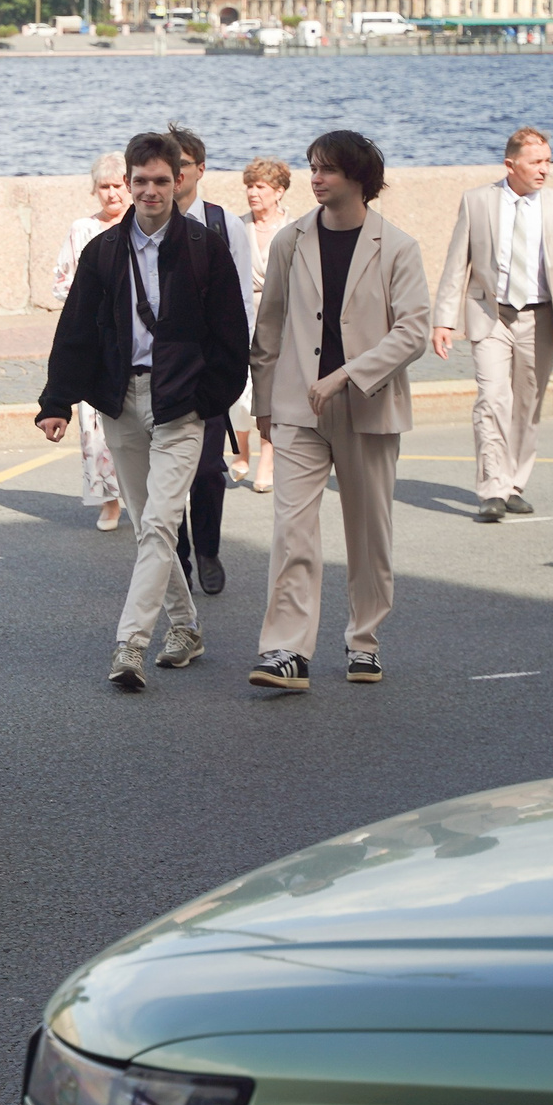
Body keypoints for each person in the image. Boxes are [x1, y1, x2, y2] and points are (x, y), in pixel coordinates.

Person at [35, 132, 248, 691]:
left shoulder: (205, 248)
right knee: (145, 525)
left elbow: (231, 336)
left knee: (158, 521)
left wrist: (209, 401)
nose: (150, 190)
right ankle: (186, 627)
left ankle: (130, 642)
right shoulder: (103, 252)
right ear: (128, 183)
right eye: (140, 181)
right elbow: (76, 329)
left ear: (179, 180)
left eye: (161, 180)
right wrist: (56, 400)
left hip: (182, 405)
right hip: (120, 402)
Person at [248, 131, 429, 691]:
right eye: (311, 167)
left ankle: (364, 642)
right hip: (297, 409)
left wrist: (348, 374)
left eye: (325, 169)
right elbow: (270, 324)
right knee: (292, 532)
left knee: (368, 533)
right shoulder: (290, 240)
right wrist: (263, 404)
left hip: (368, 409)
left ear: (358, 178)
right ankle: (286, 651)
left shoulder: (397, 246)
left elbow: (414, 331)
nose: (315, 178)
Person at [432, 126, 553, 523]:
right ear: (510, 164)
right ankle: (491, 489)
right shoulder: (477, 202)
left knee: (527, 403)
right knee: (491, 399)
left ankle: (513, 485)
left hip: (540, 317)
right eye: (536, 162)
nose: (545, 170)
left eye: (548, 161)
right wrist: (443, 320)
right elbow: (457, 264)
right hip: (490, 314)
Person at [165, 125, 254, 598]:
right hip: (160, 370)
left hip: (210, 367)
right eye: (167, 167)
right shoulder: (144, 221)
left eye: (182, 167)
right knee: (166, 474)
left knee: (207, 469)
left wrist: (239, 362)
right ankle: (177, 552)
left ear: (199, 169)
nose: (174, 176)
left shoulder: (224, 224)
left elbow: (242, 299)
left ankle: (208, 549)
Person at [51, 151, 130, 531]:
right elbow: (62, 283)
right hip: (95, 343)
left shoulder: (144, 226)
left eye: (118, 185)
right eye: (105, 187)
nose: (112, 194)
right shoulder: (81, 229)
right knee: (94, 429)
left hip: (136, 343)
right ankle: (109, 502)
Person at [232, 159, 294, 490]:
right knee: (240, 393)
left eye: (261, 187)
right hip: (243, 316)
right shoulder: (237, 227)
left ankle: (267, 462)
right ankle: (242, 451)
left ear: (279, 192)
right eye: (250, 186)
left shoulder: (295, 228)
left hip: (281, 320)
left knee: (269, 392)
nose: (253, 193)